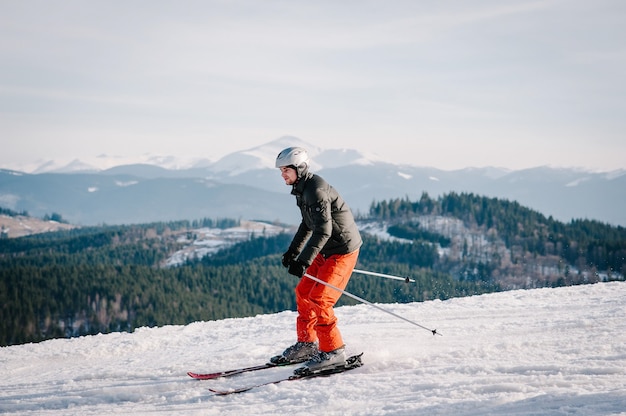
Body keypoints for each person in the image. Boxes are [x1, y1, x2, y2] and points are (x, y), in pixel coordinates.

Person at [270, 146, 362, 374]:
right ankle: (307, 344)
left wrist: (303, 262)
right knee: (304, 292)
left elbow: (324, 230)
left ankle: (334, 351)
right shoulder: (302, 189)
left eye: (285, 170)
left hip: (342, 250)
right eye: (281, 171)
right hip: (325, 248)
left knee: (321, 299)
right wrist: (293, 252)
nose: (282, 175)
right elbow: (307, 224)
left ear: (299, 169)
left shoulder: (316, 190)